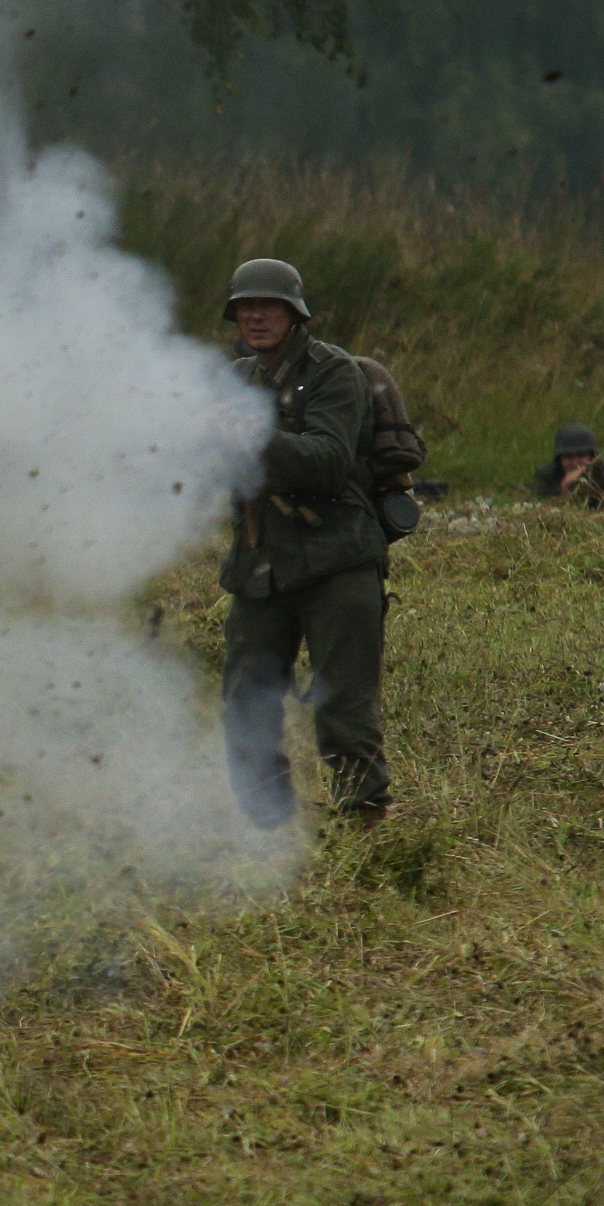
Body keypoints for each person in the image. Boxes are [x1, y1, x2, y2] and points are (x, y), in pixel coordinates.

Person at [216, 257, 389, 826]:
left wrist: (259, 437)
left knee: (344, 707)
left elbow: (330, 460)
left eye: (268, 306)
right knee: (244, 703)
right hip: (261, 567)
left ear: (294, 313)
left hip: (337, 562)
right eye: (245, 307)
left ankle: (365, 830)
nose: (255, 316)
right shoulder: (236, 379)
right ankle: (267, 831)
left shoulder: (332, 372)